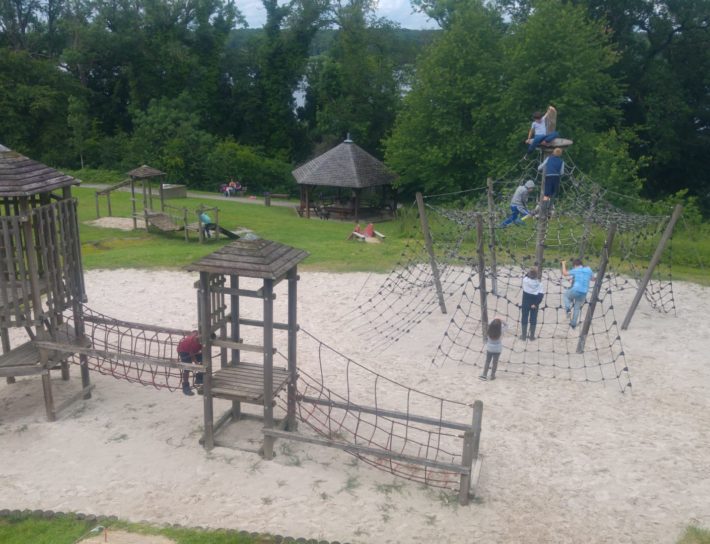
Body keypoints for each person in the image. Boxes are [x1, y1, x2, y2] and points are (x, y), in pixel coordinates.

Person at [561, 259, 595, 329]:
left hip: (576, 290)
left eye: (574, 266)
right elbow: (593, 279)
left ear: (575, 265)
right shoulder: (588, 269)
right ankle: (573, 324)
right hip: (584, 292)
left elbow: (564, 273)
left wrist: (563, 263)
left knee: (566, 296)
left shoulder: (576, 269)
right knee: (577, 308)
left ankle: (568, 309)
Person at [520, 268, 545, 341]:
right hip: (534, 302)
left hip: (525, 302)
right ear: (537, 276)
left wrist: (530, 271)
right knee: (533, 318)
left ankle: (524, 336)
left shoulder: (525, 280)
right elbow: (540, 296)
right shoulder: (540, 284)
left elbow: (526, 275)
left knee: (524, 317)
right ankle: (532, 336)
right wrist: (535, 304)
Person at [177, 330, 204, 396]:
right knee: (187, 368)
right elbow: (192, 355)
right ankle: (185, 386)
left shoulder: (202, 340)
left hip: (193, 350)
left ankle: (199, 377)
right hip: (184, 351)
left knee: (204, 357)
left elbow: (203, 350)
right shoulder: (191, 341)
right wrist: (197, 364)